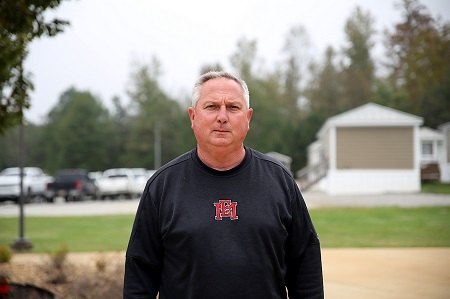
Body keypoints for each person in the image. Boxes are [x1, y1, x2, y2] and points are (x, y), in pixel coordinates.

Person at [123, 71, 324, 299]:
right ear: (192, 116)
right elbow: (140, 276)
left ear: (248, 118)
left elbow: (305, 266)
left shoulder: (279, 181)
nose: (222, 116)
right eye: (211, 106)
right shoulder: (162, 186)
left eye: (233, 107)